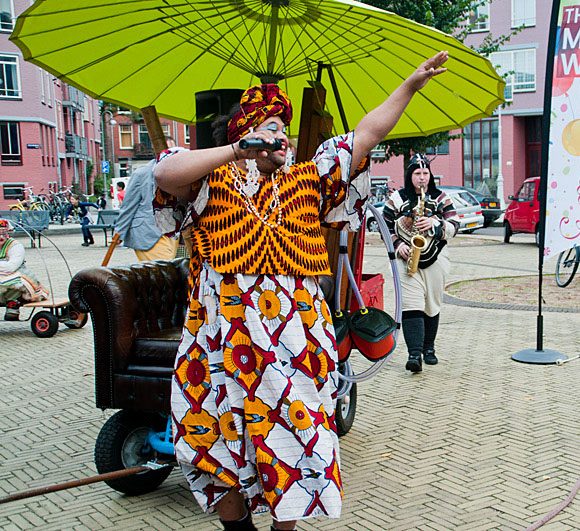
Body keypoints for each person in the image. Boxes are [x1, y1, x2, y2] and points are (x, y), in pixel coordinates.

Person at [153, 51, 449, 530]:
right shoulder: (211, 179)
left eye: (285, 130)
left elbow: (368, 133)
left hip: (294, 339)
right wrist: (237, 151)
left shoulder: (309, 178)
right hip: (218, 338)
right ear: (244, 133)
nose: (282, 138)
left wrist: (409, 87)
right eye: (271, 128)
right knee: (216, 444)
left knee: (297, 444)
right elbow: (165, 174)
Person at [383, 154, 459, 373]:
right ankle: (414, 354)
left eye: (425, 173)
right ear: (410, 175)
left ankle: (429, 348)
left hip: (436, 257)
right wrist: (398, 246)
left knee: (431, 303)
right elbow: (384, 227)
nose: (422, 178)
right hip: (405, 258)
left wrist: (436, 224)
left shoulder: (441, 197)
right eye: (417, 174)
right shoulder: (397, 198)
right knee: (411, 303)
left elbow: (455, 224)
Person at [114, 136, 180, 261]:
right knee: (164, 273)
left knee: (164, 274)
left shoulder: (178, 173)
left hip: (171, 232)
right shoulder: (142, 173)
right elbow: (128, 205)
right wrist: (119, 232)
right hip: (148, 233)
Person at [0, 219, 49, 320]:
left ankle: (13, 303)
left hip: (16, 272)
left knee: (16, 282)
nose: (1, 237)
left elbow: (12, 266)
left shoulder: (15, 246)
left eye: (4, 233)